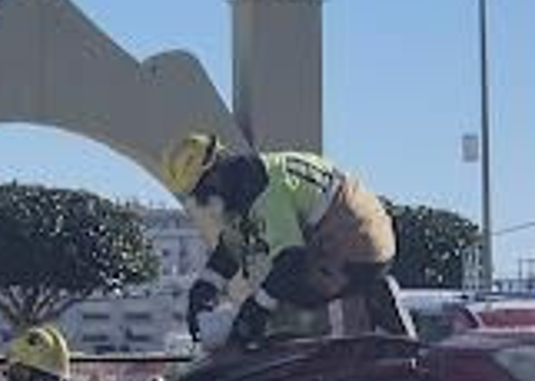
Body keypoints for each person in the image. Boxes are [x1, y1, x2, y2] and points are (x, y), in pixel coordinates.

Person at [162, 132, 405, 349]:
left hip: (358, 237)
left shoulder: (264, 190)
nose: (204, 204)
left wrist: (255, 311)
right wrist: (204, 290)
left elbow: (291, 260)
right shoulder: (243, 189)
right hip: (348, 232)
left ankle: (376, 303)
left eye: (202, 194)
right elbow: (230, 252)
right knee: (270, 286)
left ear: (215, 175)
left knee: (285, 294)